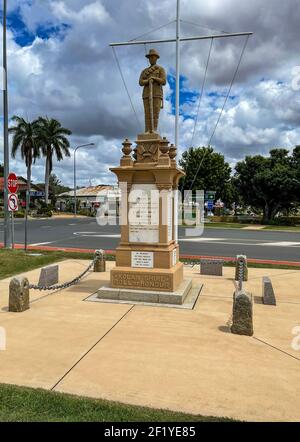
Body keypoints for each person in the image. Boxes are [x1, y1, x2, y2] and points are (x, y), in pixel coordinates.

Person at [139, 48, 166, 133]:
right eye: (150, 57)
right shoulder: (145, 71)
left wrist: (154, 78)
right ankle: (147, 130)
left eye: (153, 57)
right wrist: (147, 81)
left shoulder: (160, 69)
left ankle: (153, 130)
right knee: (147, 113)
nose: (151, 59)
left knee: (155, 113)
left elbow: (163, 81)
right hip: (146, 94)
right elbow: (140, 82)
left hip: (157, 94)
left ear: (156, 58)